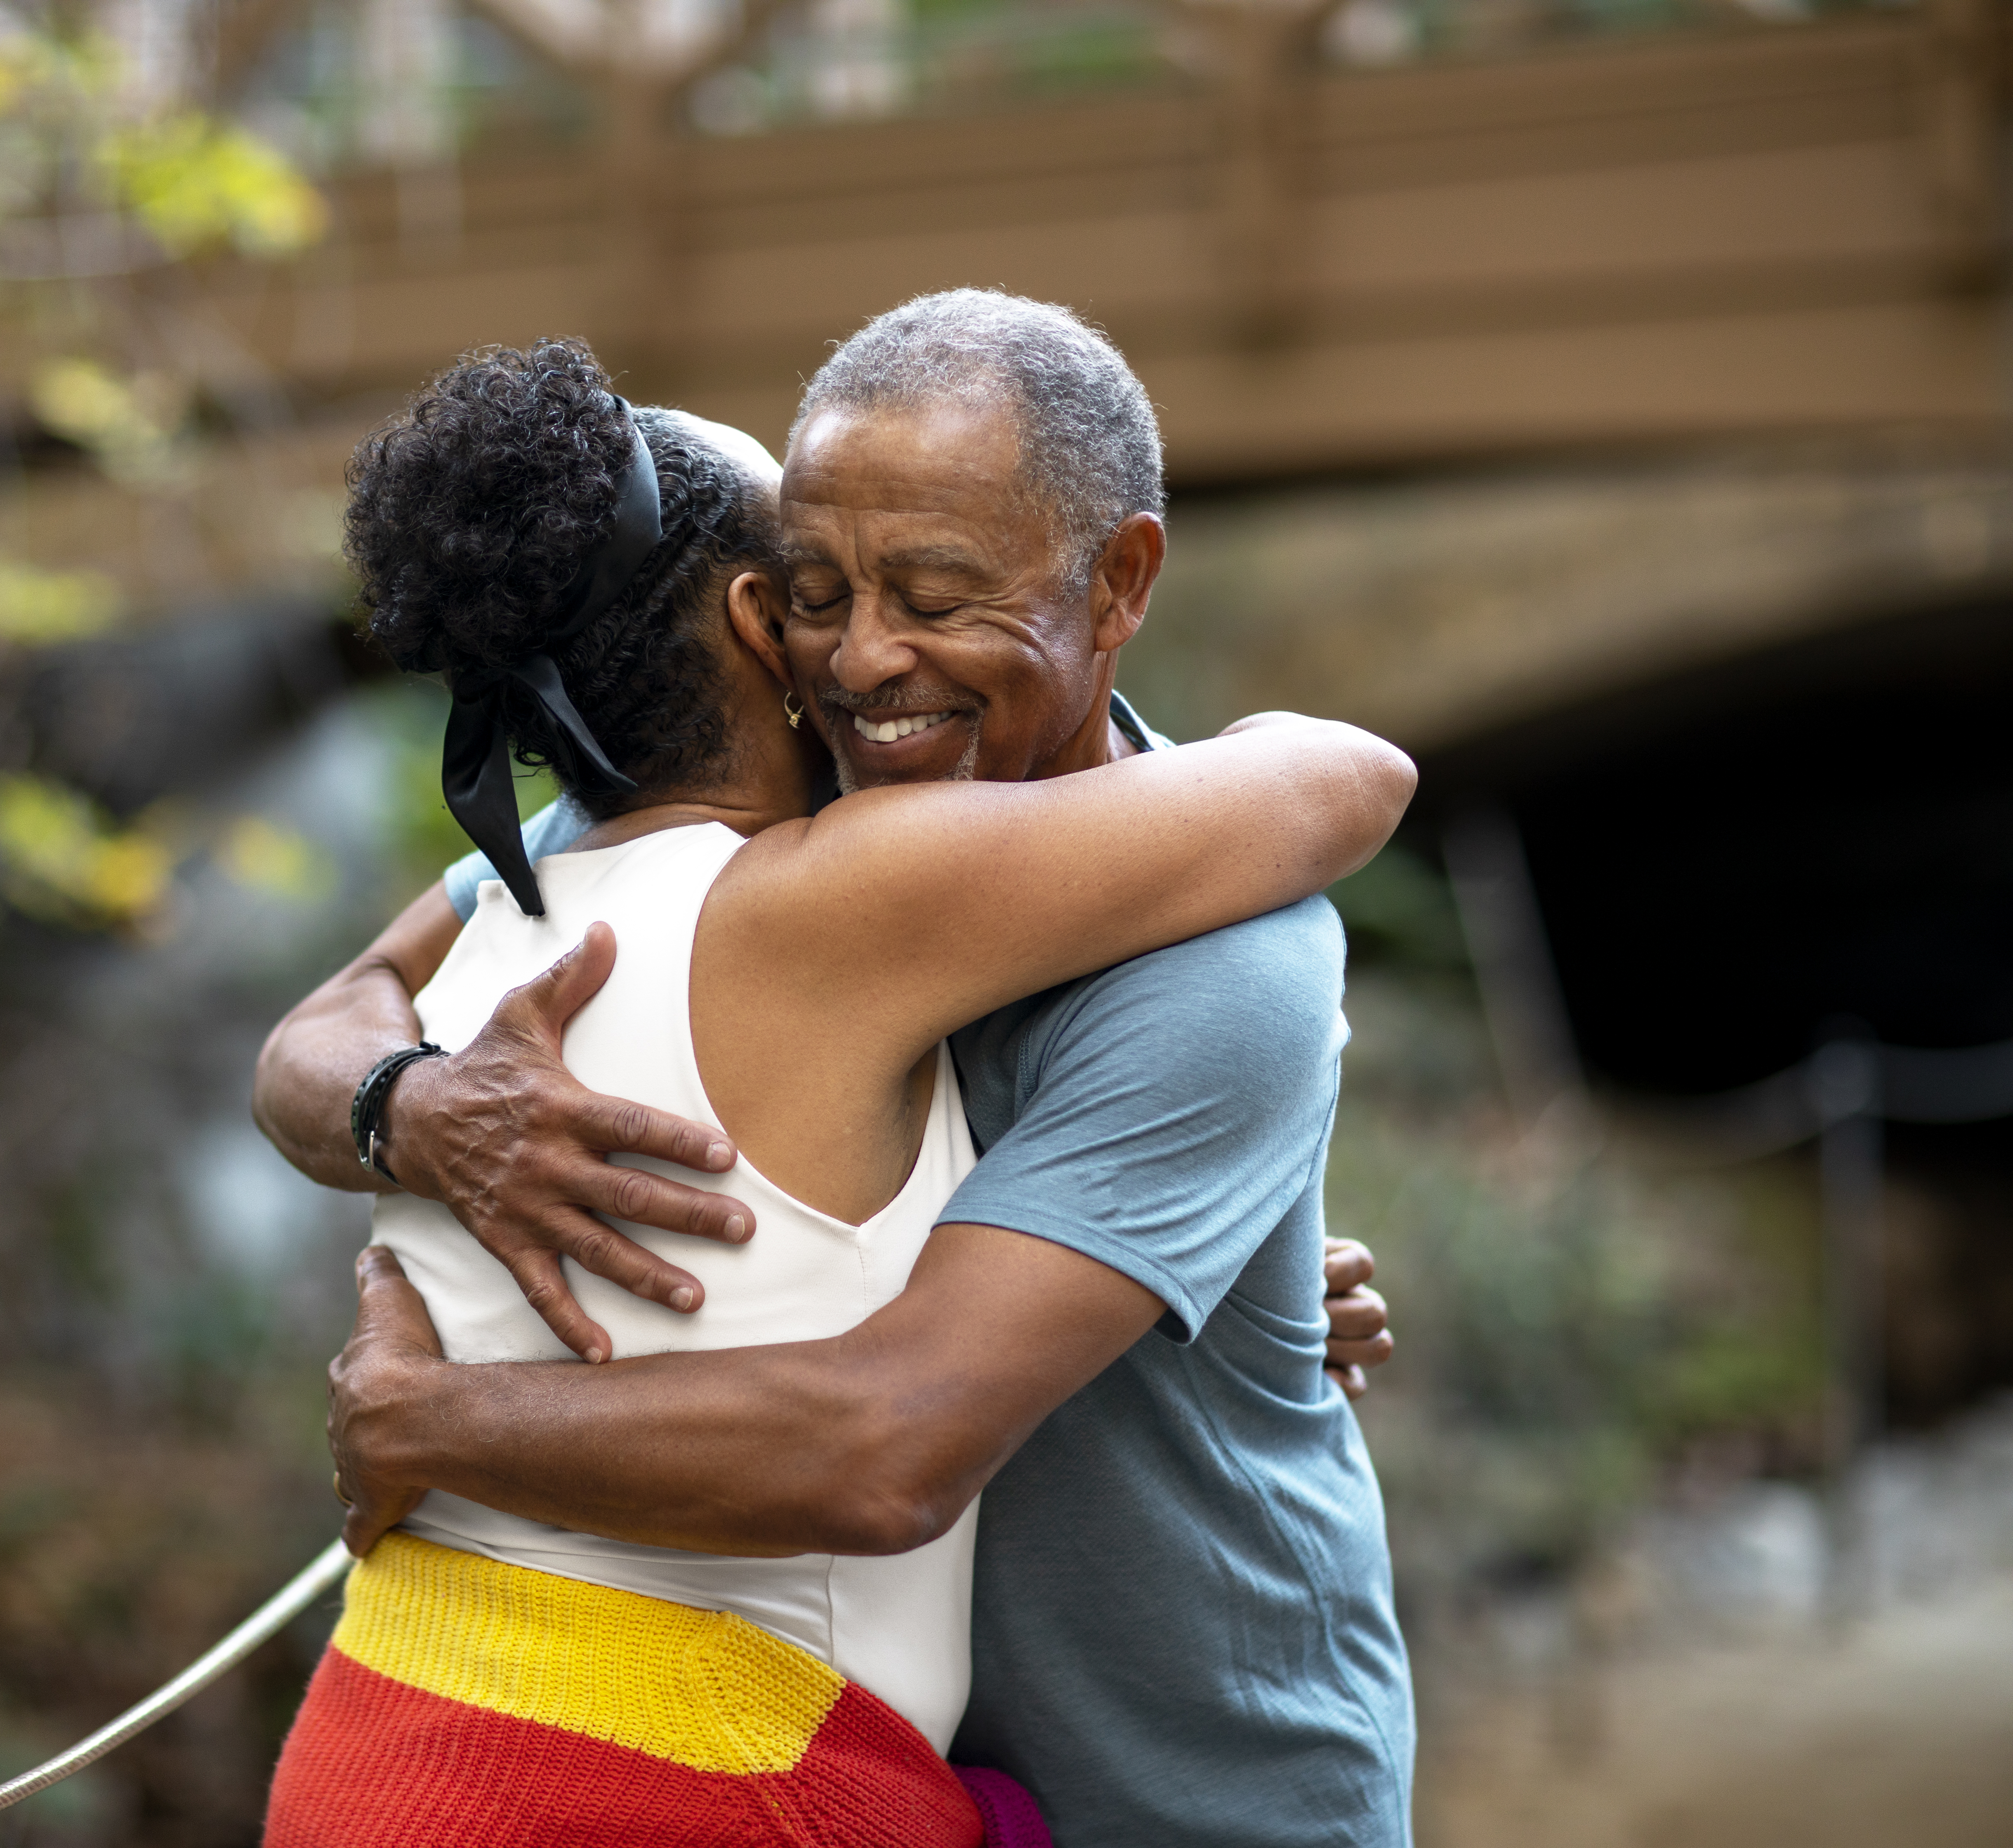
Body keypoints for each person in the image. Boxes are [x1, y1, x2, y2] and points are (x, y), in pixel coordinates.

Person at [259, 291, 1419, 1848]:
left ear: (1120, 579)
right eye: (814, 590)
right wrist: (420, 1109)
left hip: (1186, 1791)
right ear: (757, 617)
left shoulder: (1220, 958)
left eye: (937, 592)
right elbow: (327, 1023)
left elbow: (892, 1436)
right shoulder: (714, 854)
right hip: (872, 1768)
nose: (867, 658)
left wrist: (431, 1423)